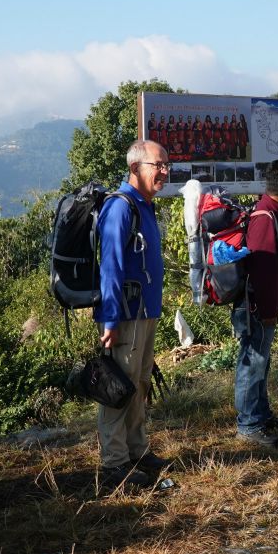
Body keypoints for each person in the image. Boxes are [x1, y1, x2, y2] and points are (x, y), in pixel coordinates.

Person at [95, 140, 169, 490]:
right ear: (135, 167)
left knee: (139, 385)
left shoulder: (145, 206)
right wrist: (109, 320)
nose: (165, 171)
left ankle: (137, 452)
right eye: (159, 165)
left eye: (167, 165)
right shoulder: (121, 208)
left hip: (145, 311)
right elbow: (111, 266)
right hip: (125, 313)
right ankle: (114, 464)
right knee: (119, 388)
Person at [232, 160, 278, 446]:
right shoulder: (265, 218)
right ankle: (248, 425)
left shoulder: (271, 213)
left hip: (262, 307)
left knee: (261, 363)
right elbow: (264, 271)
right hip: (258, 309)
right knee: (252, 363)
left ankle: (261, 415)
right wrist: (269, 311)